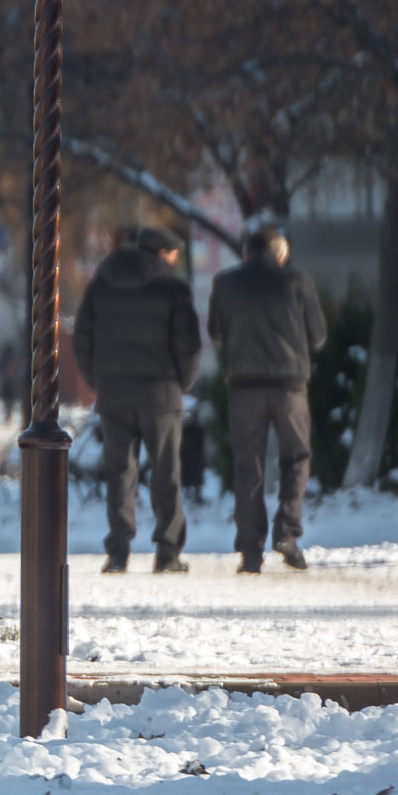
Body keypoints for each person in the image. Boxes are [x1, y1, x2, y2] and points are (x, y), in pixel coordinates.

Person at [75, 224, 202, 574]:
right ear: (163, 252)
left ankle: (118, 551)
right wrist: (183, 383)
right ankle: (168, 551)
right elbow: (189, 344)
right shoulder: (173, 288)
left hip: (114, 394)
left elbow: (81, 338)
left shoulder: (103, 282)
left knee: (119, 473)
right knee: (166, 473)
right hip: (161, 394)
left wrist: (96, 381)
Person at [207, 216, 329, 573]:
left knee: (249, 466)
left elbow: (215, 331)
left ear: (246, 252)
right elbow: (318, 336)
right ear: (279, 255)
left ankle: (250, 552)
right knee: (297, 458)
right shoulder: (297, 280)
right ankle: (287, 533)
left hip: (244, 387)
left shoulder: (225, 283)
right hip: (290, 387)